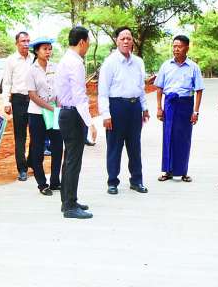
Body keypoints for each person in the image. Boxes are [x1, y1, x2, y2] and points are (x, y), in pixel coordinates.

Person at [98, 27, 150, 195]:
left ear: (133, 40)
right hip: (116, 107)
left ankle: (137, 180)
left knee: (135, 146)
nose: (126, 41)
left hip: (134, 108)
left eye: (129, 38)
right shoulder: (110, 63)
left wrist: (144, 108)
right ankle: (112, 181)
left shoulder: (138, 62)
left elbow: (141, 87)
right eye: (123, 38)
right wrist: (106, 114)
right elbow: (103, 92)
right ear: (116, 41)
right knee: (115, 146)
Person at [55, 26, 97, 219]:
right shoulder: (76, 63)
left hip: (65, 112)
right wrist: (90, 123)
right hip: (73, 115)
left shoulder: (64, 60)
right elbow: (79, 96)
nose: (88, 45)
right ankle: (70, 206)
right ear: (82, 42)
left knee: (69, 160)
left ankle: (68, 200)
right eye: (88, 42)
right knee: (73, 161)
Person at [154, 35, 205, 182]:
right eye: (174, 46)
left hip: (185, 104)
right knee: (168, 136)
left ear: (187, 48)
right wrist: (159, 108)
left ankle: (183, 172)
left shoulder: (193, 67)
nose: (176, 49)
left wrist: (196, 111)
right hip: (169, 104)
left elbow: (199, 90)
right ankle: (167, 171)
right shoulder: (166, 65)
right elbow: (159, 88)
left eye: (179, 46)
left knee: (184, 138)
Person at [26, 37, 62, 196]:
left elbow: (59, 89)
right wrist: (50, 108)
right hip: (37, 113)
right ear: (36, 51)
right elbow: (32, 95)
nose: (48, 52)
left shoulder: (55, 67)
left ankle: (55, 181)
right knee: (38, 148)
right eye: (44, 49)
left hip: (54, 111)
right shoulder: (31, 70)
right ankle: (42, 183)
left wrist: (58, 107)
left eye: (50, 49)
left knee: (58, 146)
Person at [2, 31, 32, 181]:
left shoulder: (34, 58)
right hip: (18, 100)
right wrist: (6, 102)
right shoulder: (11, 60)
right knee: (20, 136)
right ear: (17, 43)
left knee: (36, 133)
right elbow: (7, 82)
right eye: (23, 41)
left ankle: (32, 161)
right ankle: (22, 169)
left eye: (28, 41)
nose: (26, 44)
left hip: (34, 100)